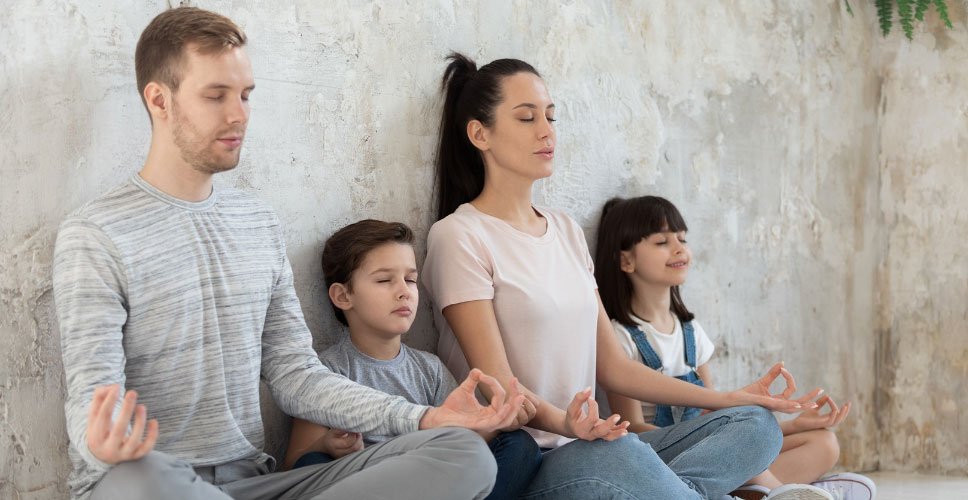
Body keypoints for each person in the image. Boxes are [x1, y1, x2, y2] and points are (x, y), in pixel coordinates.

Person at [52, 8, 524, 500]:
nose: (239, 114)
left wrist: (424, 416)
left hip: (257, 483)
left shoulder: (257, 224)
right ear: (159, 100)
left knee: (460, 451)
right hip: (155, 482)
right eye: (216, 96)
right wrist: (102, 440)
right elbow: (92, 395)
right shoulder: (96, 233)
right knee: (139, 481)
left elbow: (295, 374)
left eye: (245, 95)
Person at [421, 52, 826, 500]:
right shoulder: (459, 236)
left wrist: (732, 398)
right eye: (526, 118)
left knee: (756, 427)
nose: (546, 131)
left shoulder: (566, 230)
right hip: (533, 460)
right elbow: (499, 391)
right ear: (480, 134)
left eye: (551, 117)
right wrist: (570, 426)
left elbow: (613, 367)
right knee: (617, 455)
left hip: (594, 446)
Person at [594, 195, 877, 500]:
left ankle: (766, 494)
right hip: (662, 460)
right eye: (661, 242)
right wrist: (717, 440)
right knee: (743, 453)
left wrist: (794, 425)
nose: (679, 248)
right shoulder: (620, 338)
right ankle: (788, 493)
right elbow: (632, 431)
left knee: (823, 443)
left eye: (682, 239)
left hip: (707, 449)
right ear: (626, 260)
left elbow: (708, 413)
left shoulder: (692, 333)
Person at [284, 219, 543, 500]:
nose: (404, 291)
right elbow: (295, 467)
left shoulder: (428, 368)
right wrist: (328, 445)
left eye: (410, 279)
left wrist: (495, 423)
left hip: (428, 485)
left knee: (520, 445)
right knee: (310, 465)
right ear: (343, 296)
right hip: (365, 486)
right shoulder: (326, 371)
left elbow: (462, 443)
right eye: (384, 280)